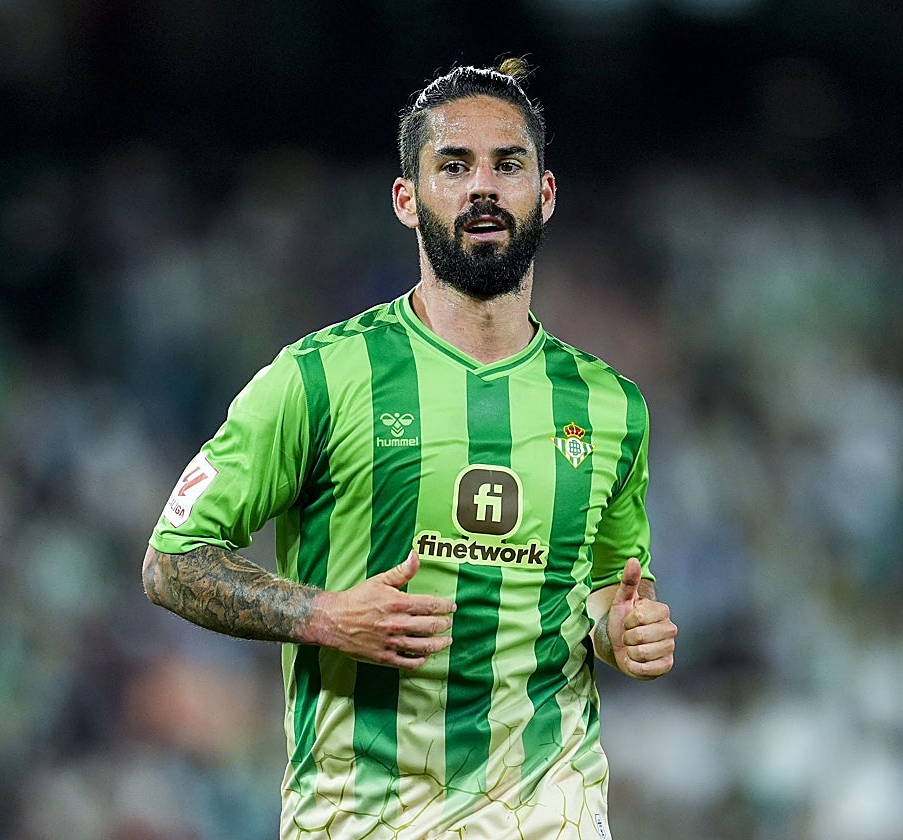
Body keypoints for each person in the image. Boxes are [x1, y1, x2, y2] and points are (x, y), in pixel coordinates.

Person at [142, 57, 677, 839]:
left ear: (546, 193)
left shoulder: (610, 407)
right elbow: (172, 559)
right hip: (362, 820)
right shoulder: (319, 377)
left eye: (509, 164)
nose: (483, 187)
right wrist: (322, 615)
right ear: (407, 198)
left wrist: (621, 632)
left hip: (549, 815)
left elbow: (601, 585)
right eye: (453, 165)